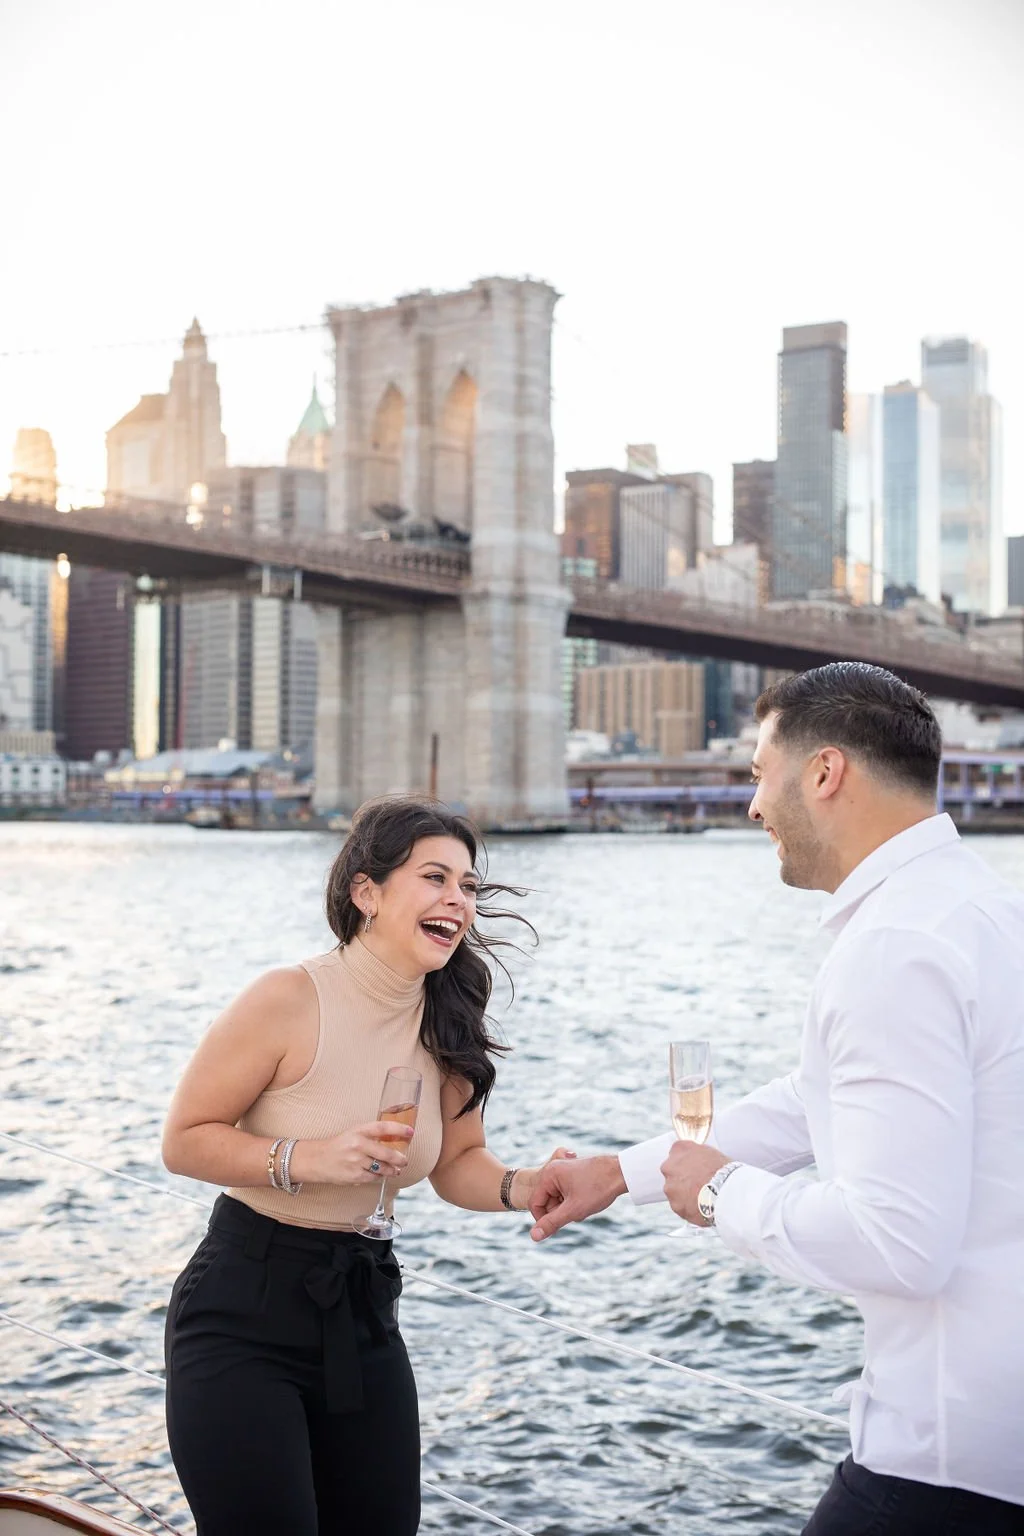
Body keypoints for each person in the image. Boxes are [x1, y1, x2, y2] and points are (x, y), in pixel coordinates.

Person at [529, 663, 1024, 1535]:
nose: (752, 805)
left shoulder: (895, 947)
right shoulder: (983, 910)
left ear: (825, 773)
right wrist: (623, 1173)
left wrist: (721, 1194)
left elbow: (899, 1244)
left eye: (759, 773)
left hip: (947, 1465)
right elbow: (820, 1096)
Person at [162, 796, 570, 1536]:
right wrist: (312, 1158)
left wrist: (526, 1187)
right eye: (435, 878)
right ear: (367, 892)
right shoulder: (288, 997)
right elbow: (185, 1139)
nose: (458, 899)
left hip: (363, 1312)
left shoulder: (450, 1016)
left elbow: (459, 1163)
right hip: (241, 1308)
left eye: (469, 887)